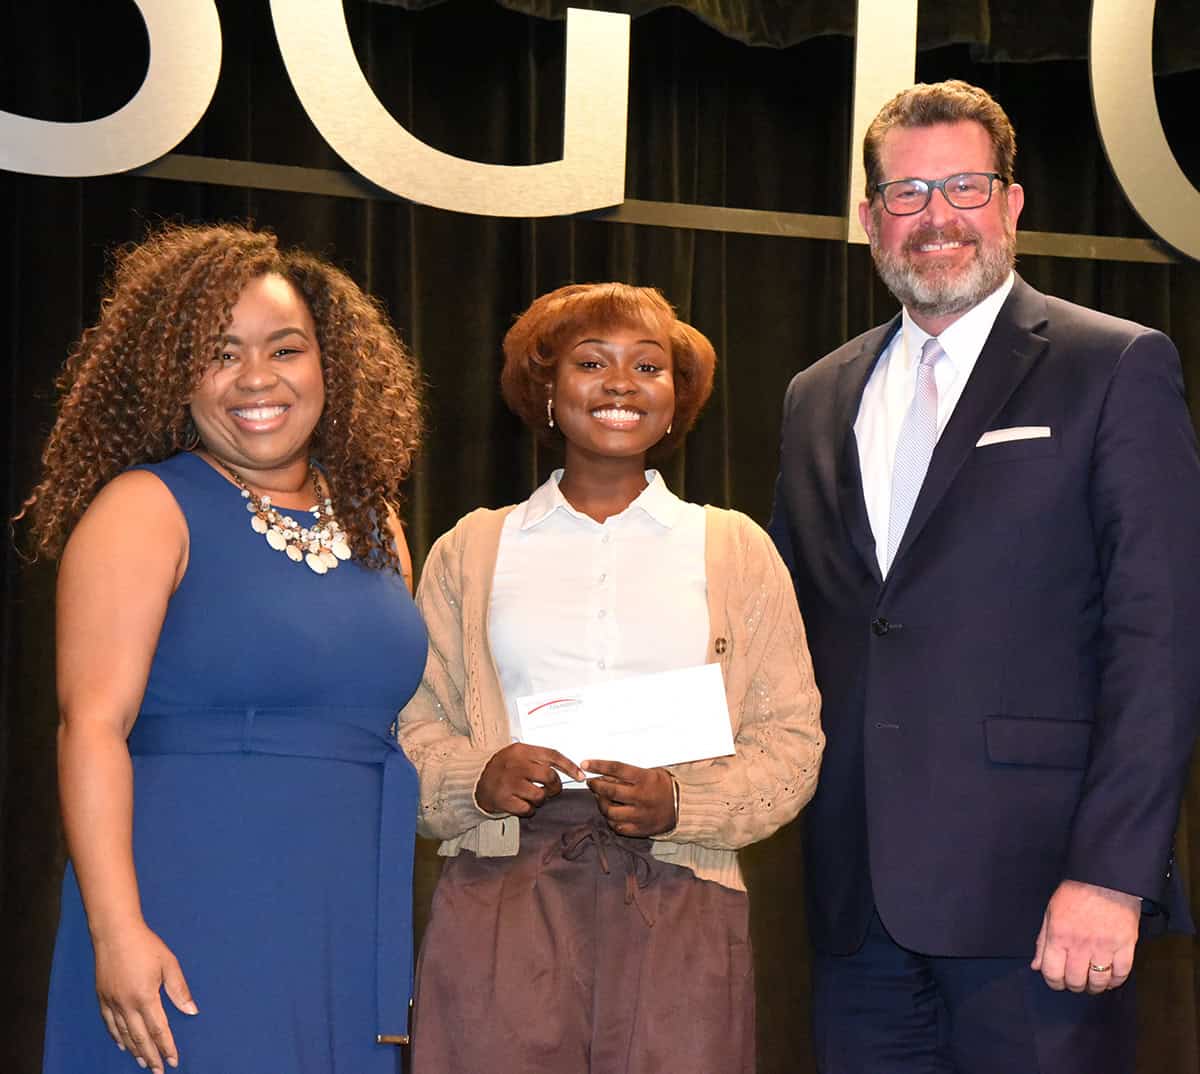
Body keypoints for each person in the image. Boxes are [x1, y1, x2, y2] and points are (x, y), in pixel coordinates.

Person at [768, 79, 1200, 1073]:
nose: (936, 220)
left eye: (964, 187)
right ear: (870, 219)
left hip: (1043, 901)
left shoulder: (1115, 366)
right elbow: (786, 626)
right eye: (907, 195)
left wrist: (1111, 876)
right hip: (856, 906)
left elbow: (1161, 640)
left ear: (1010, 203)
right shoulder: (816, 394)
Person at [21, 222, 427, 1074]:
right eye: (220, 352)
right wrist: (117, 930)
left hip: (348, 911)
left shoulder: (376, 519)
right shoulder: (145, 508)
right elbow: (91, 725)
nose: (256, 378)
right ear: (176, 374)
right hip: (194, 907)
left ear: (330, 365)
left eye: (286, 348)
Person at [397, 282, 823, 1074]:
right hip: (502, 888)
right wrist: (476, 778)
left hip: (680, 889)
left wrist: (684, 803)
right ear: (548, 393)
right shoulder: (474, 548)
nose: (621, 384)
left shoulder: (733, 550)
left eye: (648, 367)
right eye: (592, 363)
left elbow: (791, 739)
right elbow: (412, 724)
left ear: (675, 399)